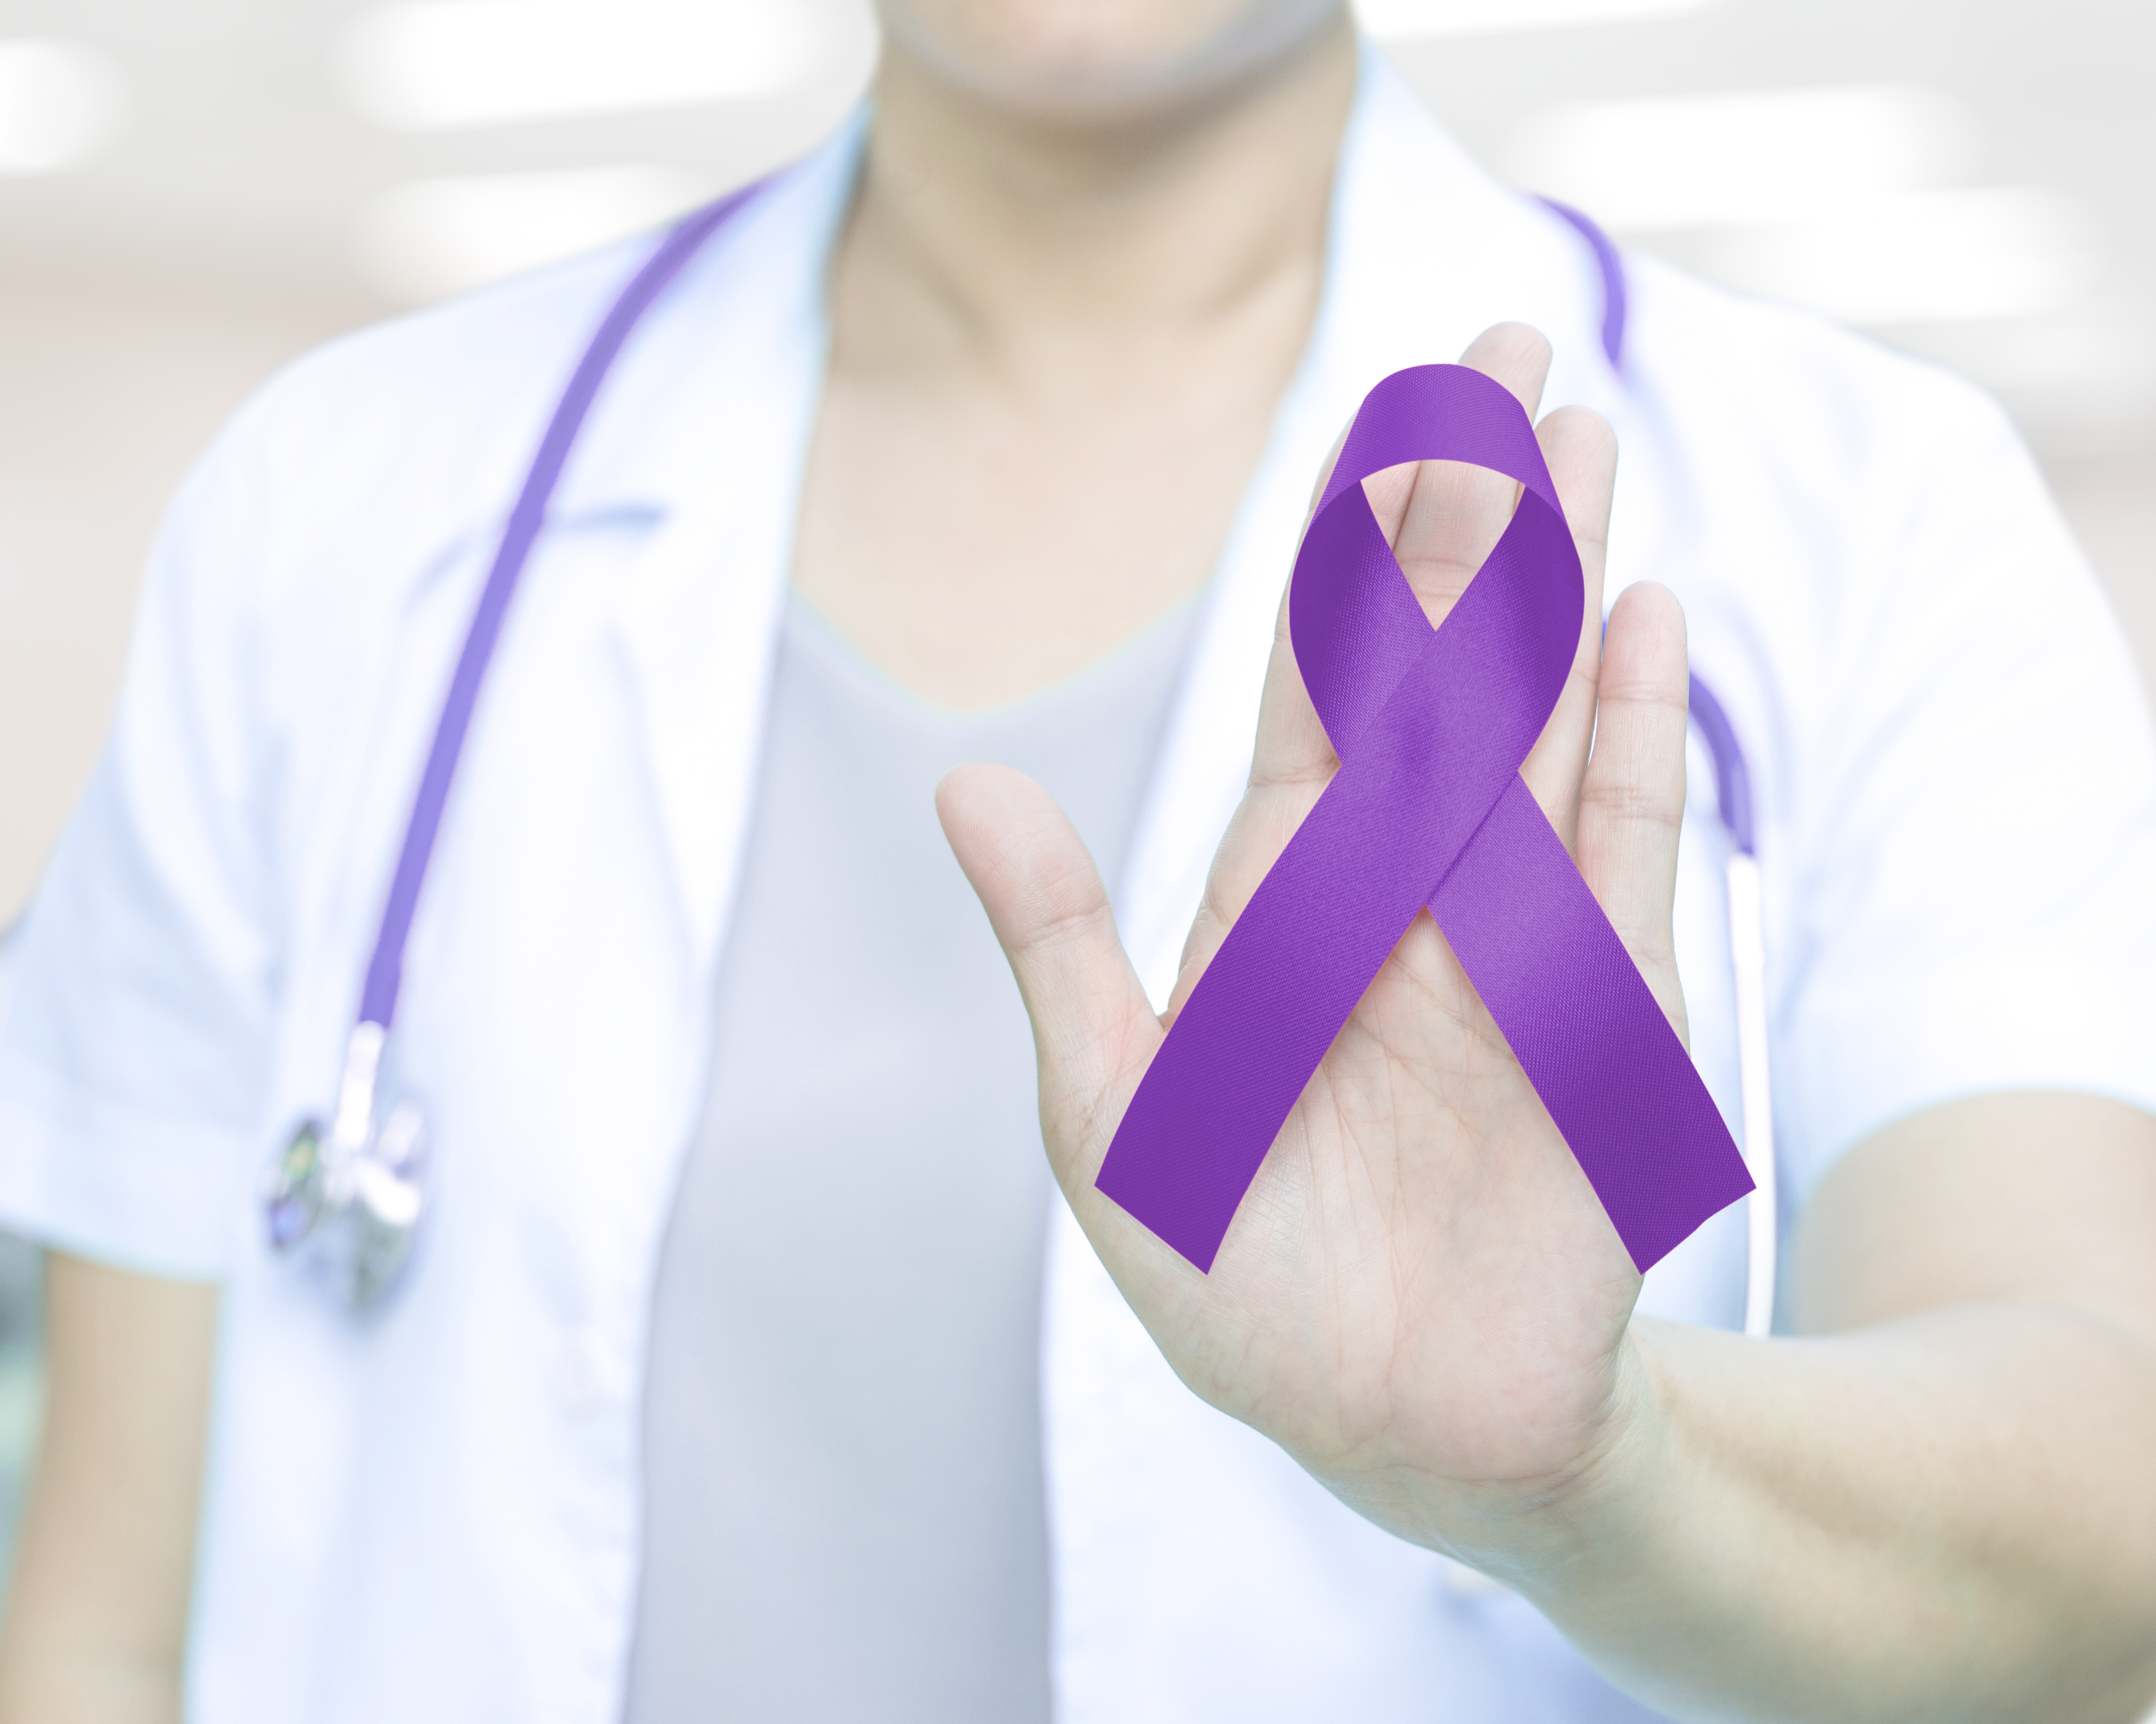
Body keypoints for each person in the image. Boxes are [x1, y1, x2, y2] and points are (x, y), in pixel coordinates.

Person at [2, 1, 2155, 1719]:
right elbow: (103, 1637)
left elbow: (2099, 1524)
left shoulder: (1865, 521)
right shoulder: (344, 512)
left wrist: (1610, 1481)